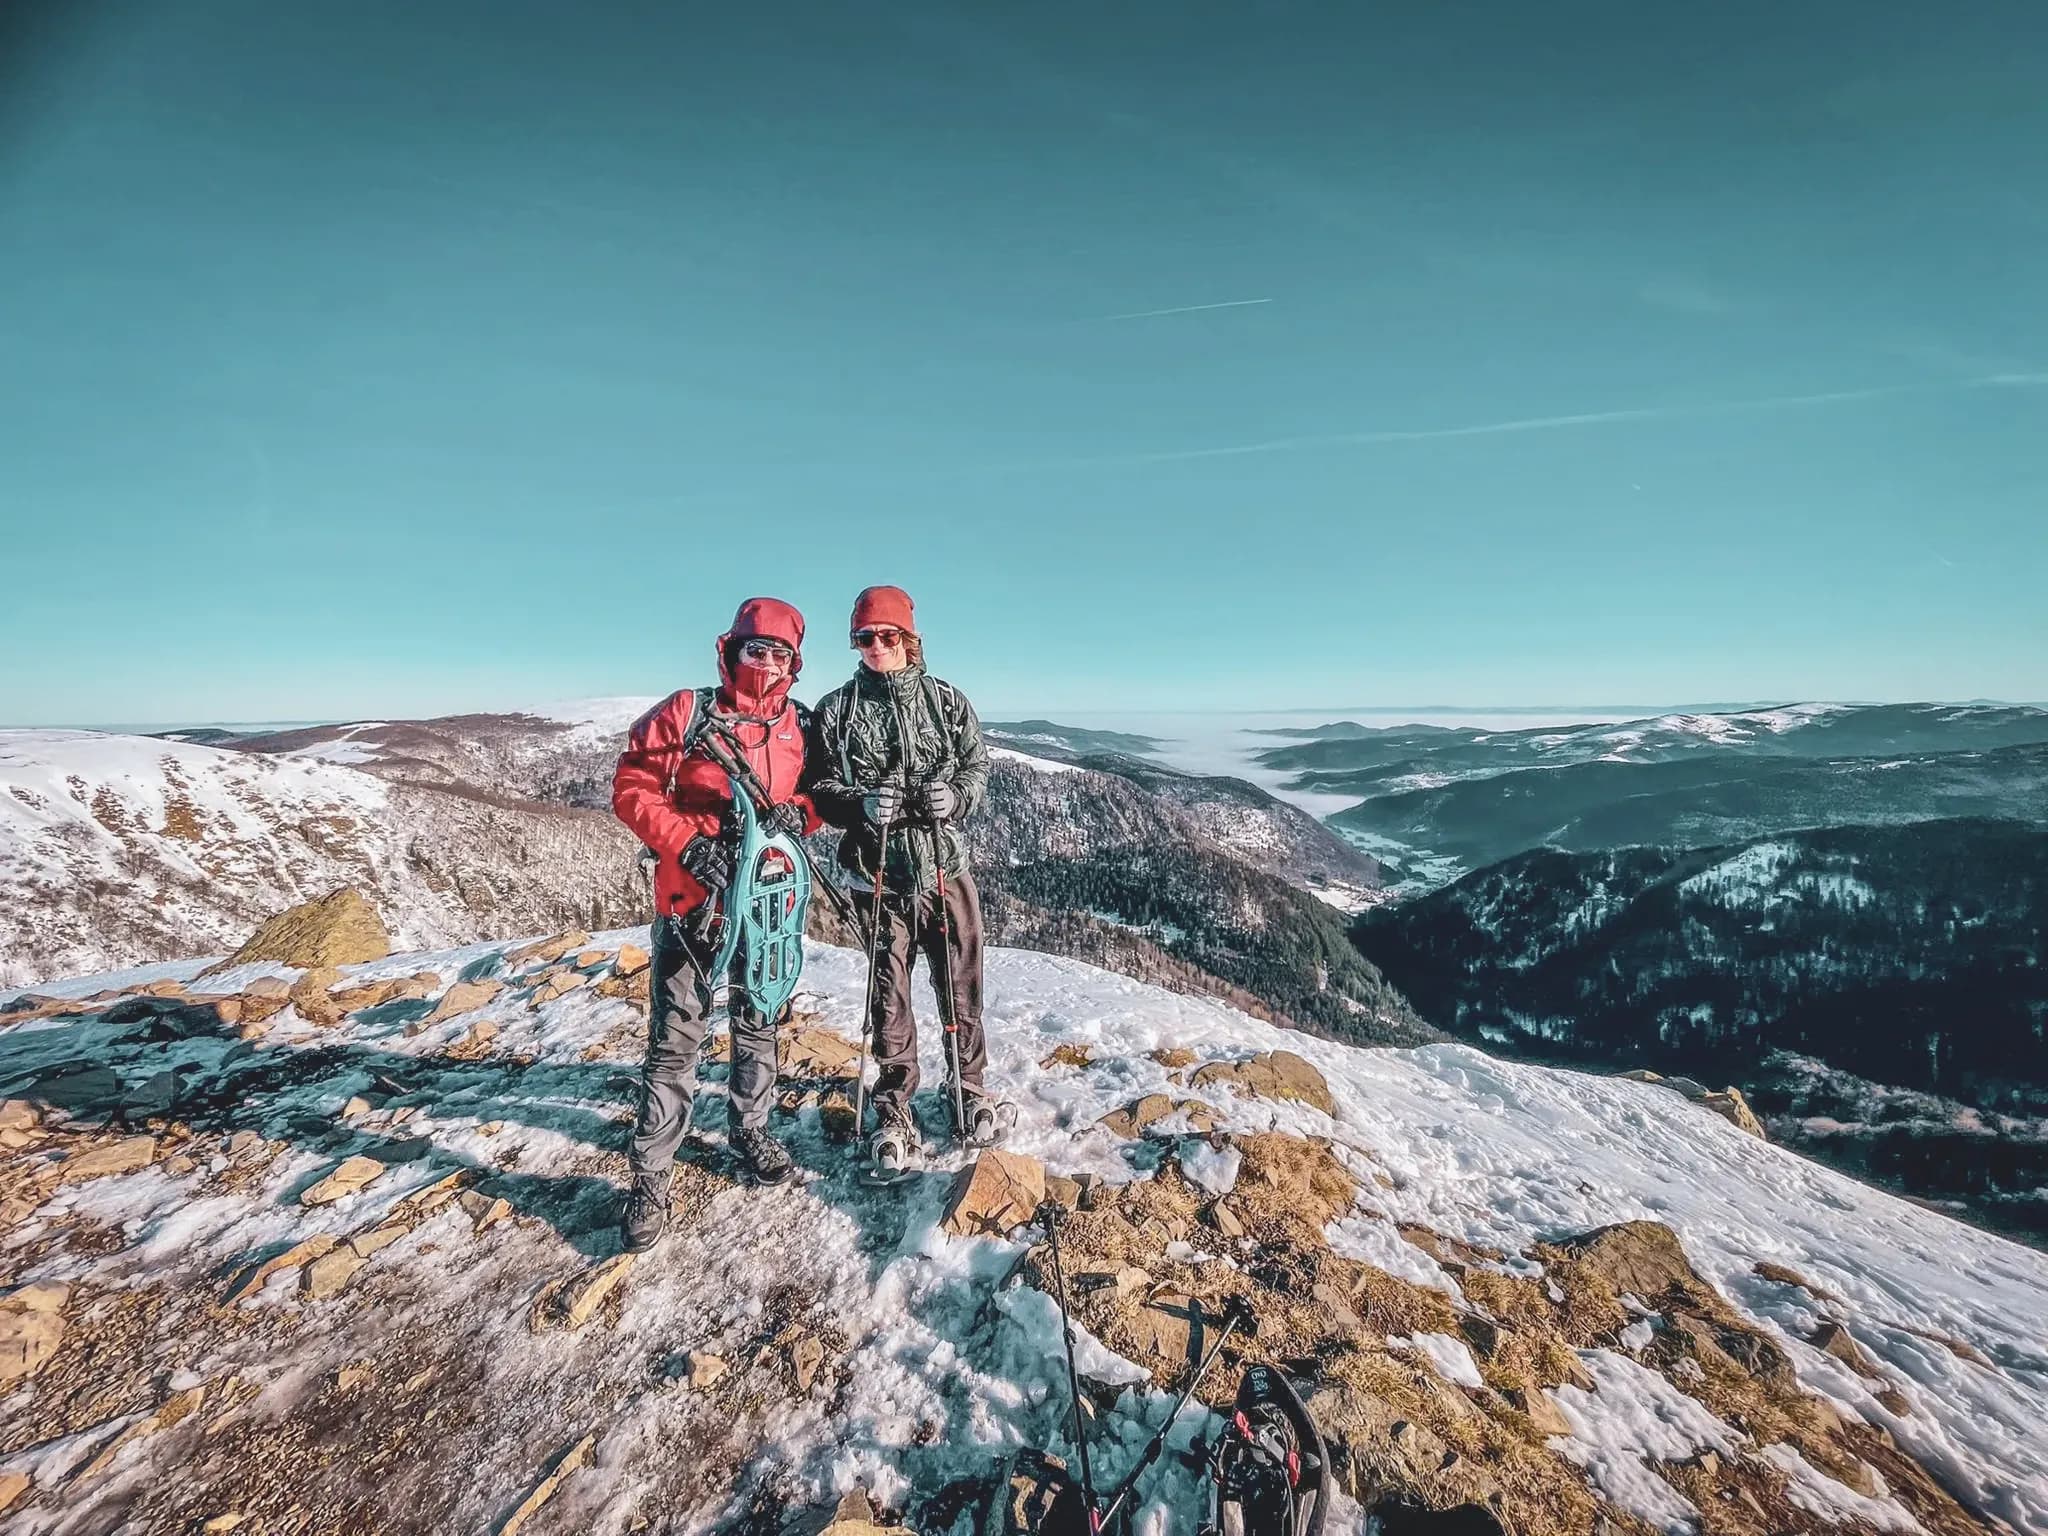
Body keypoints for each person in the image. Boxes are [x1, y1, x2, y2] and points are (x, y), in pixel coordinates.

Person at [610, 597, 819, 1250]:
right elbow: (631, 786)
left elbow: (820, 798)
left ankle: (750, 1129)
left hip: (765, 901)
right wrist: (686, 841)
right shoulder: (688, 711)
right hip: (692, 901)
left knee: (759, 1019)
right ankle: (651, 1174)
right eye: (755, 649)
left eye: (779, 653)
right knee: (676, 1039)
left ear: (794, 662)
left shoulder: (799, 725)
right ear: (732, 649)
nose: (766, 662)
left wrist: (799, 816)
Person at [805, 585, 1002, 1167]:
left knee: (959, 986)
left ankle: (968, 1087)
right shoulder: (836, 711)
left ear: (909, 639)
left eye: (887, 636)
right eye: (864, 638)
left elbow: (976, 769)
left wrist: (958, 796)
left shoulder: (946, 702)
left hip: (946, 869)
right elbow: (818, 788)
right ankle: (894, 1103)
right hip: (879, 876)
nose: (875, 647)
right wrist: (860, 803)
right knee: (888, 995)